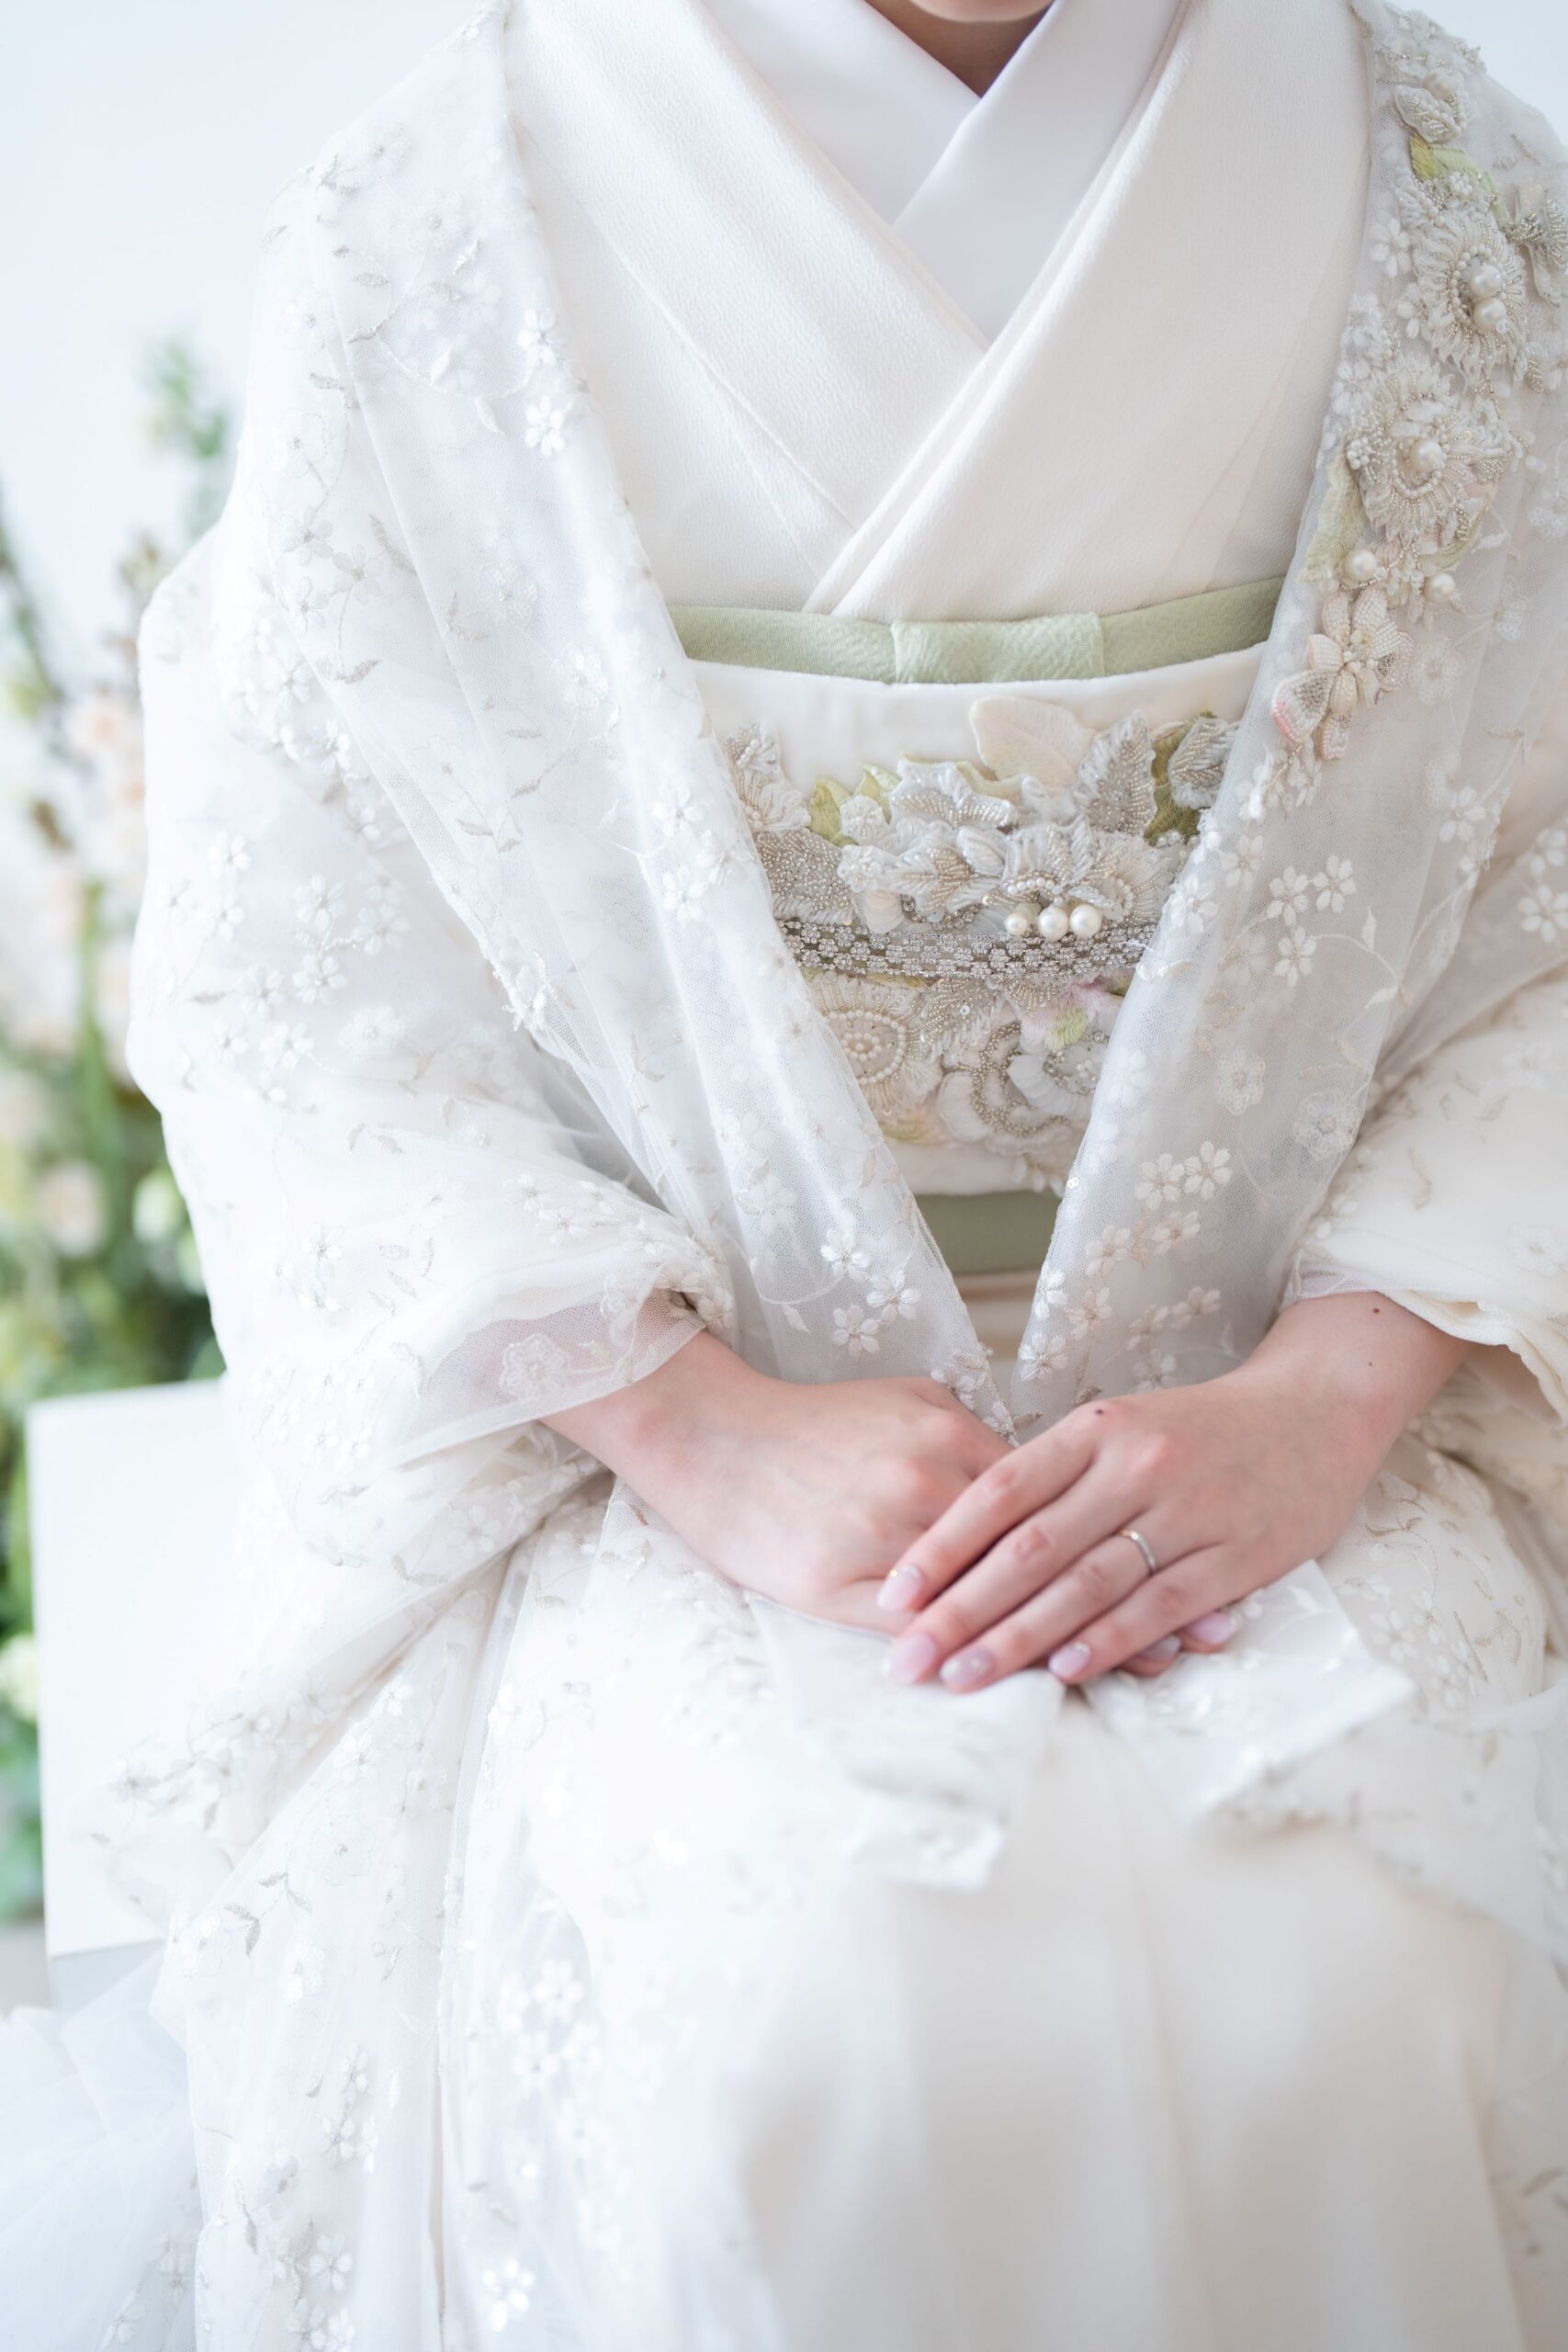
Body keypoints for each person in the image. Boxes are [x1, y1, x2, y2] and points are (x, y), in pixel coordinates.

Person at [5, 1, 1568, 2345]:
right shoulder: (433, 219)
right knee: (807, 2014)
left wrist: (1320, 1394)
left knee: (1371, 1978)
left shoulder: (1447, 180)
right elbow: (295, 978)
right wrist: (699, 1428)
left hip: (1306, 1393)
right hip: (684, 1441)